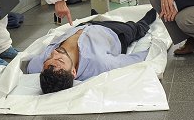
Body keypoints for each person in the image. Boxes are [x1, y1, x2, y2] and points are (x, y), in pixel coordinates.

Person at [26, 9, 156, 93]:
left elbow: (29, 65)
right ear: (73, 71)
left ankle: (96, 16)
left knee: (94, 17)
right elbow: (137, 59)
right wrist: (156, 48)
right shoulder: (100, 63)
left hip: (82, 27)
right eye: (60, 59)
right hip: (113, 33)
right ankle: (147, 19)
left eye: (48, 59)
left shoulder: (38, 66)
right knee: (135, 28)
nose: (54, 53)